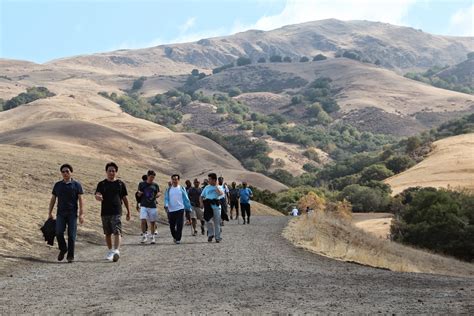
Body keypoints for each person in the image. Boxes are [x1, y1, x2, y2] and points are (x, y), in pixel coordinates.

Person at [48, 164, 84, 263]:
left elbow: (81, 200)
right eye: (63, 172)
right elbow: (53, 199)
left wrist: (81, 214)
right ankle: (63, 248)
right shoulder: (58, 185)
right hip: (60, 214)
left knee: (71, 236)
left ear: (71, 172)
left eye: (67, 171)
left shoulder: (77, 185)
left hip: (72, 214)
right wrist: (50, 212)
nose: (65, 173)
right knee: (58, 232)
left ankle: (70, 256)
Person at [95, 162, 131, 262]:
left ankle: (116, 250)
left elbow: (125, 198)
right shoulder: (101, 184)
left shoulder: (120, 184)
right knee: (107, 233)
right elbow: (97, 194)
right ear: (106, 172)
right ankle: (110, 251)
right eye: (109, 171)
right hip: (105, 211)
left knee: (117, 230)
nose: (111, 172)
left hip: (117, 211)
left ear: (116, 172)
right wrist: (98, 197)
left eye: (113, 171)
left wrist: (128, 211)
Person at [164, 174, 191, 244]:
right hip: (171, 210)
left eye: (176, 179)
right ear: (171, 180)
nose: (174, 181)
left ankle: (178, 239)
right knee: (172, 226)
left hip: (180, 209)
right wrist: (166, 205)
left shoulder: (182, 188)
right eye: (173, 179)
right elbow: (166, 198)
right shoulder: (169, 189)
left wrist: (188, 208)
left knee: (179, 225)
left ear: (178, 180)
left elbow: (186, 199)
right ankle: (175, 236)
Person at [137, 170, 160, 244]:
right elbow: (138, 193)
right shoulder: (141, 184)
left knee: (152, 222)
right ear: (147, 176)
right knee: (143, 220)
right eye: (151, 177)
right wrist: (139, 194)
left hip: (152, 206)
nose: (152, 179)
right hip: (144, 205)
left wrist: (158, 195)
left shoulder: (155, 185)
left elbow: (158, 192)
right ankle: (144, 236)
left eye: (153, 177)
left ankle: (152, 237)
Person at [200, 173, 223, 243]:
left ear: (214, 180)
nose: (208, 180)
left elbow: (221, 194)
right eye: (208, 179)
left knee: (217, 222)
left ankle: (217, 237)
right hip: (207, 205)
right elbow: (201, 196)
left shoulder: (218, 187)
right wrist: (201, 203)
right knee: (207, 220)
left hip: (216, 205)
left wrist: (216, 187)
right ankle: (211, 234)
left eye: (210, 179)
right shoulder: (206, 187)